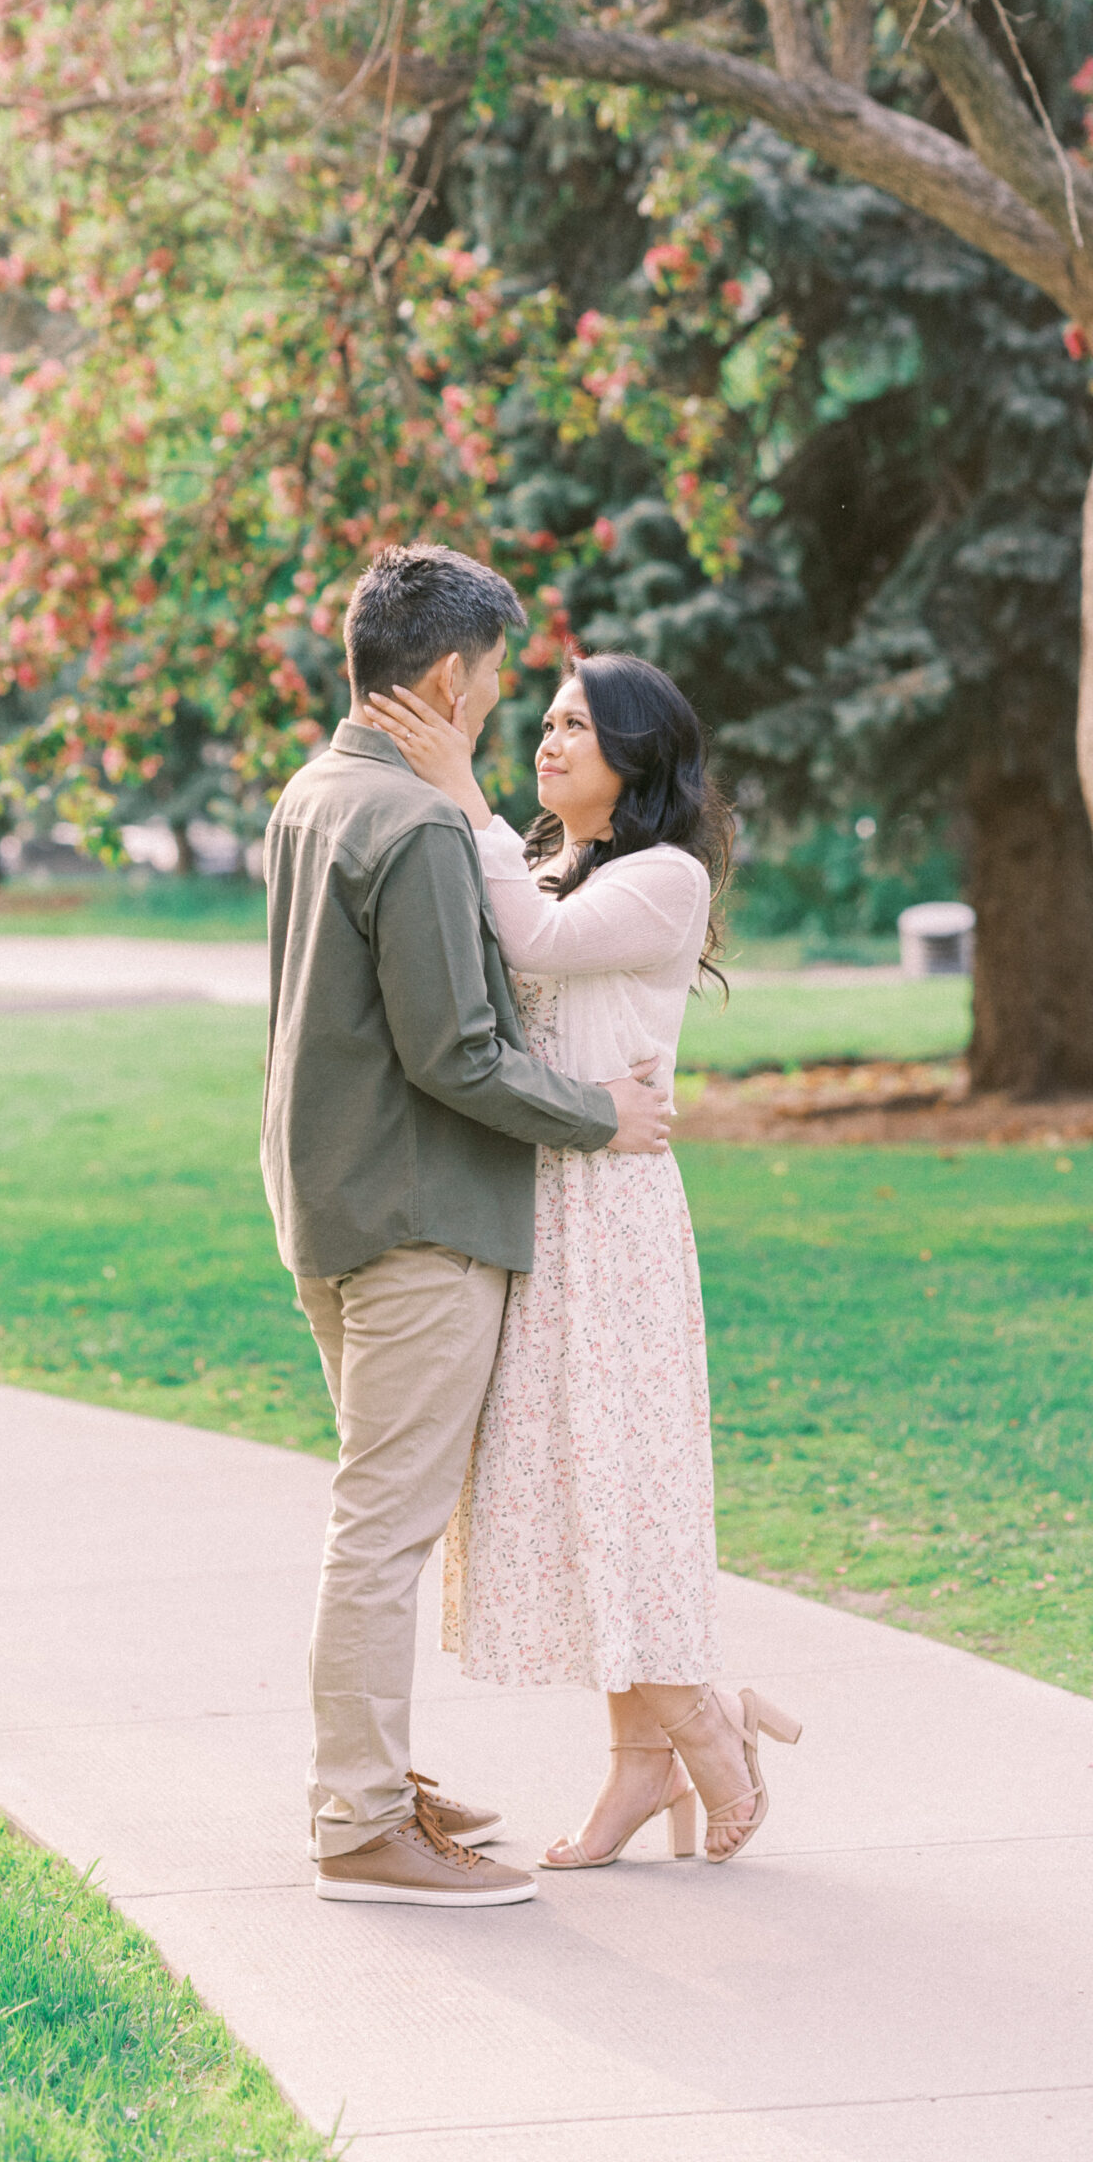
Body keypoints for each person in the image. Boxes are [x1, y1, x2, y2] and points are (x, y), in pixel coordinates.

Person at [260, 543, 674, 1909]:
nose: (502, 707)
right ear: (448, 673)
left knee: (374, 1518)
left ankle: (374, 1780)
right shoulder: (423, 825)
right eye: (499, 683)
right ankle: (360, 1821)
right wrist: (596, 1117)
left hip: (325, 1199)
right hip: (417, 1216)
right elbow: (458, 1053)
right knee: (383, 1531)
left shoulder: (313, 794)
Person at [361, 649, 801, 1871]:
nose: (548, 741)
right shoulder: (552, 858)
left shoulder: (664, 879)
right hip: (537, 1198)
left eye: (577, 728)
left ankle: (707, 1726)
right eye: (545, 721)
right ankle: (648, 1754)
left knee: (622, 1487)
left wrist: (461, 788)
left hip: (611, 1217)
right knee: (571, 1493)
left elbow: (539, 945)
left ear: (637, 756)